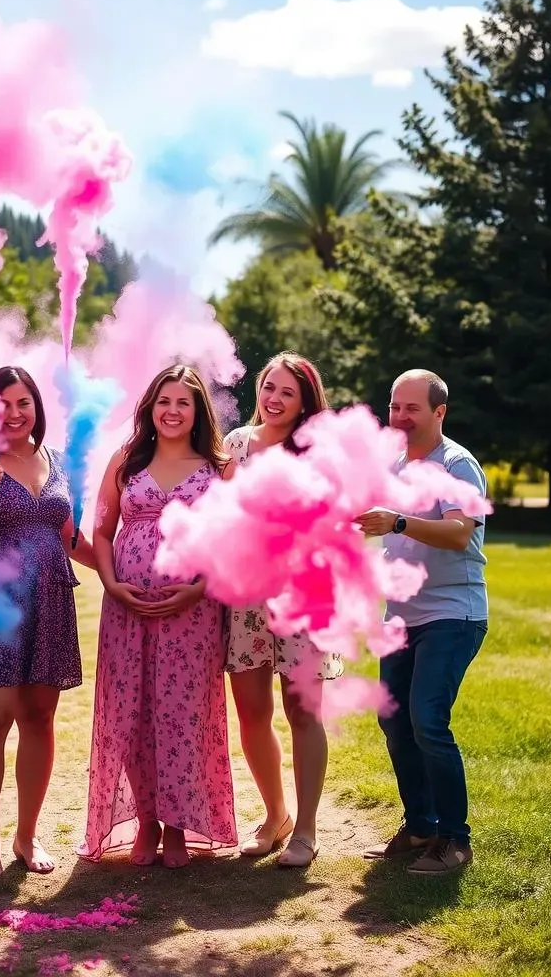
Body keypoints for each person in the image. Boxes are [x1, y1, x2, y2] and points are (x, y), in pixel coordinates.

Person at [79, 364, 237, 869]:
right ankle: (145, 820)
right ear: (150, 407)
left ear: (197, 412)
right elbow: (101, 532)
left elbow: (232, 541)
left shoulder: (218, 467)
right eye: (163, 402)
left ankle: (175, 825)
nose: (172, 411)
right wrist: (110, 583)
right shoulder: (126, 461)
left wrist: (198, 590)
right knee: (133, 712)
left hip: (192, 611)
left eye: (183, 403)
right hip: (127, 609)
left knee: (184, 713)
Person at [0, 365, 96, 879]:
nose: (13, 414)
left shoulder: (53, 460)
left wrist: (122, 577)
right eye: (1, 405)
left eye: (23, 403)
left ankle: (26, 836)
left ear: (36, 407)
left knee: (39, 719)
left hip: (48, 604)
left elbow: (70, 537)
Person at [357, 369, 487, 875]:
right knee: (394, 720)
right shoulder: (393, 466)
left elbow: (458, 534)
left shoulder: (457, 464)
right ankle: (421, 825)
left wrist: (398, 521)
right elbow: (379, 522)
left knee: (427, 721)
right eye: (394, 407)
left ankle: (456, 841)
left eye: (412, 408)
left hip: (453, 614)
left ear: (439, 413)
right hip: (402, 618)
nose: (400, 417)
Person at [224, 352, 342, 869]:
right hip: (245, 596)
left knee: (302, 711)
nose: (273, 398)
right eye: (268, 386)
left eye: (286, 392)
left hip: (303, 594)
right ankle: (276, 816)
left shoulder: (318, 451)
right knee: (252, 711)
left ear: (304, 403)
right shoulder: (234, 445)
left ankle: (307, 830)